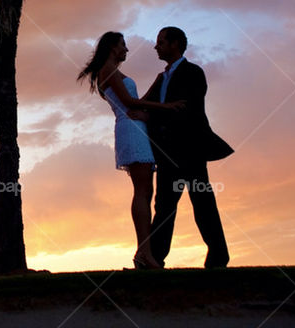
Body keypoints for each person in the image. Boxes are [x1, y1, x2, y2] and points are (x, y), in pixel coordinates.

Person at [77, 31, 187, 270]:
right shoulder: (108, 70)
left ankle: (144, 253)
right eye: (123, 45)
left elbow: (136, 99)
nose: (127, 49)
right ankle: (144, 253)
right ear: (113, 47)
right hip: (131, 129)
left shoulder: (111, 71)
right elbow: (129, 103)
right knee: (142, 191)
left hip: (136, 128)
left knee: (146, 192)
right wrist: (166, 106)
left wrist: (156, 86)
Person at [143, 26, 233, 268]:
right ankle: (154, 259)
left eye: (160, 42)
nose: (156, 46)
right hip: (165, 152)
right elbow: (145, 105)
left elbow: (187, 108)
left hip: (190, 150)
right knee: (163, 207)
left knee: (202, 202)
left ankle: (218, 257)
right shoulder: (161, 78)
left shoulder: (193, 72)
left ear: (175, 44)